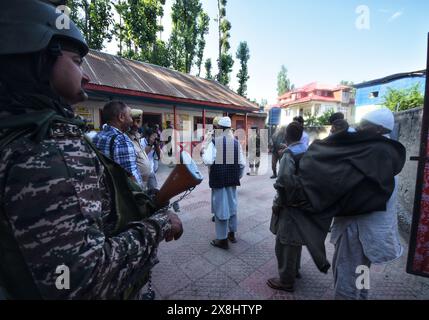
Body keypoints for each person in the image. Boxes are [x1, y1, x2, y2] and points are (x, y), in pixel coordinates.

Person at [0, 0, 182, 299]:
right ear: (40, 57)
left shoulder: (24, 133)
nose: (85, 76)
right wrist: (158, 225)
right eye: (76, 61)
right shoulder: (46, 151)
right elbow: (81, 280)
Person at [330, 108, 403, 300]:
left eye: (364, 126)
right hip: (367, 230)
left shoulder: (374, 152)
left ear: (379, 129)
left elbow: (350, 186)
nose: (359, 128)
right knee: (362, 271)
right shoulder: (386, 150)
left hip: (358, 229)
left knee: (347, 274)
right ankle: (362, 296)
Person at [268, 122, 308, 292]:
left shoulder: (288, 155)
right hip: (304, 203)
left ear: (286, 136)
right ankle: (295, 270)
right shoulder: (307, 150)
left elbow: (283, 183)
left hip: (289, 205)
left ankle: (286, 280)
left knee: (284, 242)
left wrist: (277, 204)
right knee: (296, 240)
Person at [203, 117, 245, 249]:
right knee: (232, 207)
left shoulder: (215, 142)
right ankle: (232, 234)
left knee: (221, 209)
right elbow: (242, 165)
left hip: (219, 181)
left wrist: (203, 152)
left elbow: (208, 161)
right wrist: (236, 176)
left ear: (219, 128)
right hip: (231, 181)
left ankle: (222, 240)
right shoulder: (236, 143)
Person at [93, 101, 144, 187]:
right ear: (121, 117)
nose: (132, 121)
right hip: (122, 195)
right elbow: (130, 178)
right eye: (130, 117)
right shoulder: (122, 140)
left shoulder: (97, 136)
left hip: (107, 189)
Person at [127, 109, 152, 190]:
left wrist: (150, 143)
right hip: (136, 185)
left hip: (144, 182)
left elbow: (143, 154)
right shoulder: (125, 139)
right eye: (132, 121)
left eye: (138, 121)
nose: (135, 125)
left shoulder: (137, 136)